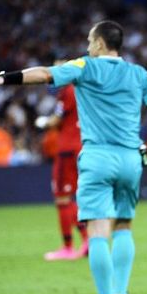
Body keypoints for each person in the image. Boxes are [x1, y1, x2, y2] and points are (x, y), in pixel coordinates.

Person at [0, 20, 147, 294]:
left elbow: (45, 73)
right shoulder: (140, 74)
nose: (88, 46)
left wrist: (2, 79)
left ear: (100, 43)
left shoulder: (85, 66)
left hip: (97, 157)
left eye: (90, 41)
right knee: (124, 225)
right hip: (131, 158)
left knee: (98, 230)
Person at [40, 84, 89, 261]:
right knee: (73, 197)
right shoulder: (83, 88)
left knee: (62, 198)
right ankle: (86, 240)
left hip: (67, 148)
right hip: (81, 145)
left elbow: (56, 119)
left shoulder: (67, 90)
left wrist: (43, 122)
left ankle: (69, 246)